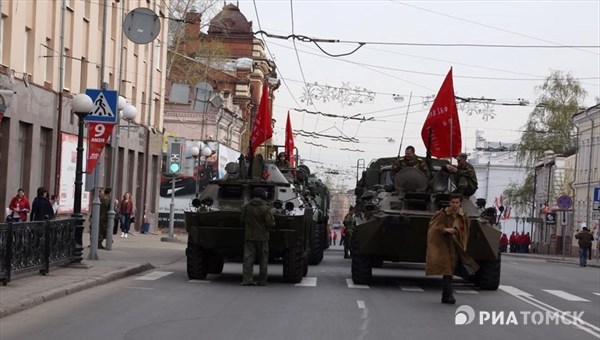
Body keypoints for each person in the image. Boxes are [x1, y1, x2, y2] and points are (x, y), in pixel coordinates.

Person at [426, 193, 477, 304]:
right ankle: (448, 295)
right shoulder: (443, 214)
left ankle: (446, 295)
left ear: (460, 204)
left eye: (457, 202)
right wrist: (445, 230)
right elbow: (434, 228)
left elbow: (466, 230)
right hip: (444, 245)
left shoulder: (463, 216)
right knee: (448, 270)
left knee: (451, 270)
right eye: (453, 202)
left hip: (456, 246)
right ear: (449, 203)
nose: (455, 205)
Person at [241, 187, 275, 286]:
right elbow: (271, 223)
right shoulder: (265, 208)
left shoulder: (247, 206)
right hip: (263, 237)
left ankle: (247, 280)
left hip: (249, 237)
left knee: (248, 259)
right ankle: (262, 281)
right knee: (263, 260)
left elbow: (242, 220)